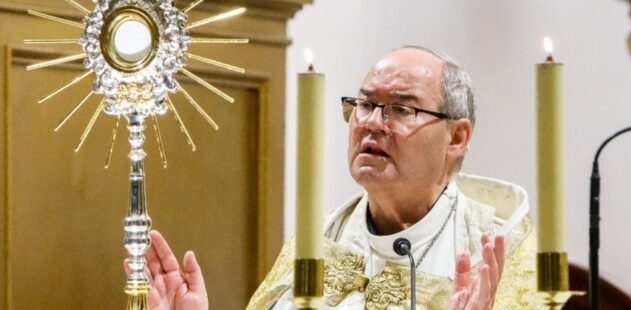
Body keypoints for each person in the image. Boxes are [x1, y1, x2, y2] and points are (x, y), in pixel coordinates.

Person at [135, 46, 538, 309]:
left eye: (400, 109)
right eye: (365, 104)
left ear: (456, 137)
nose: (372, 124)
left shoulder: (501, 256)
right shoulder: (319, 243)